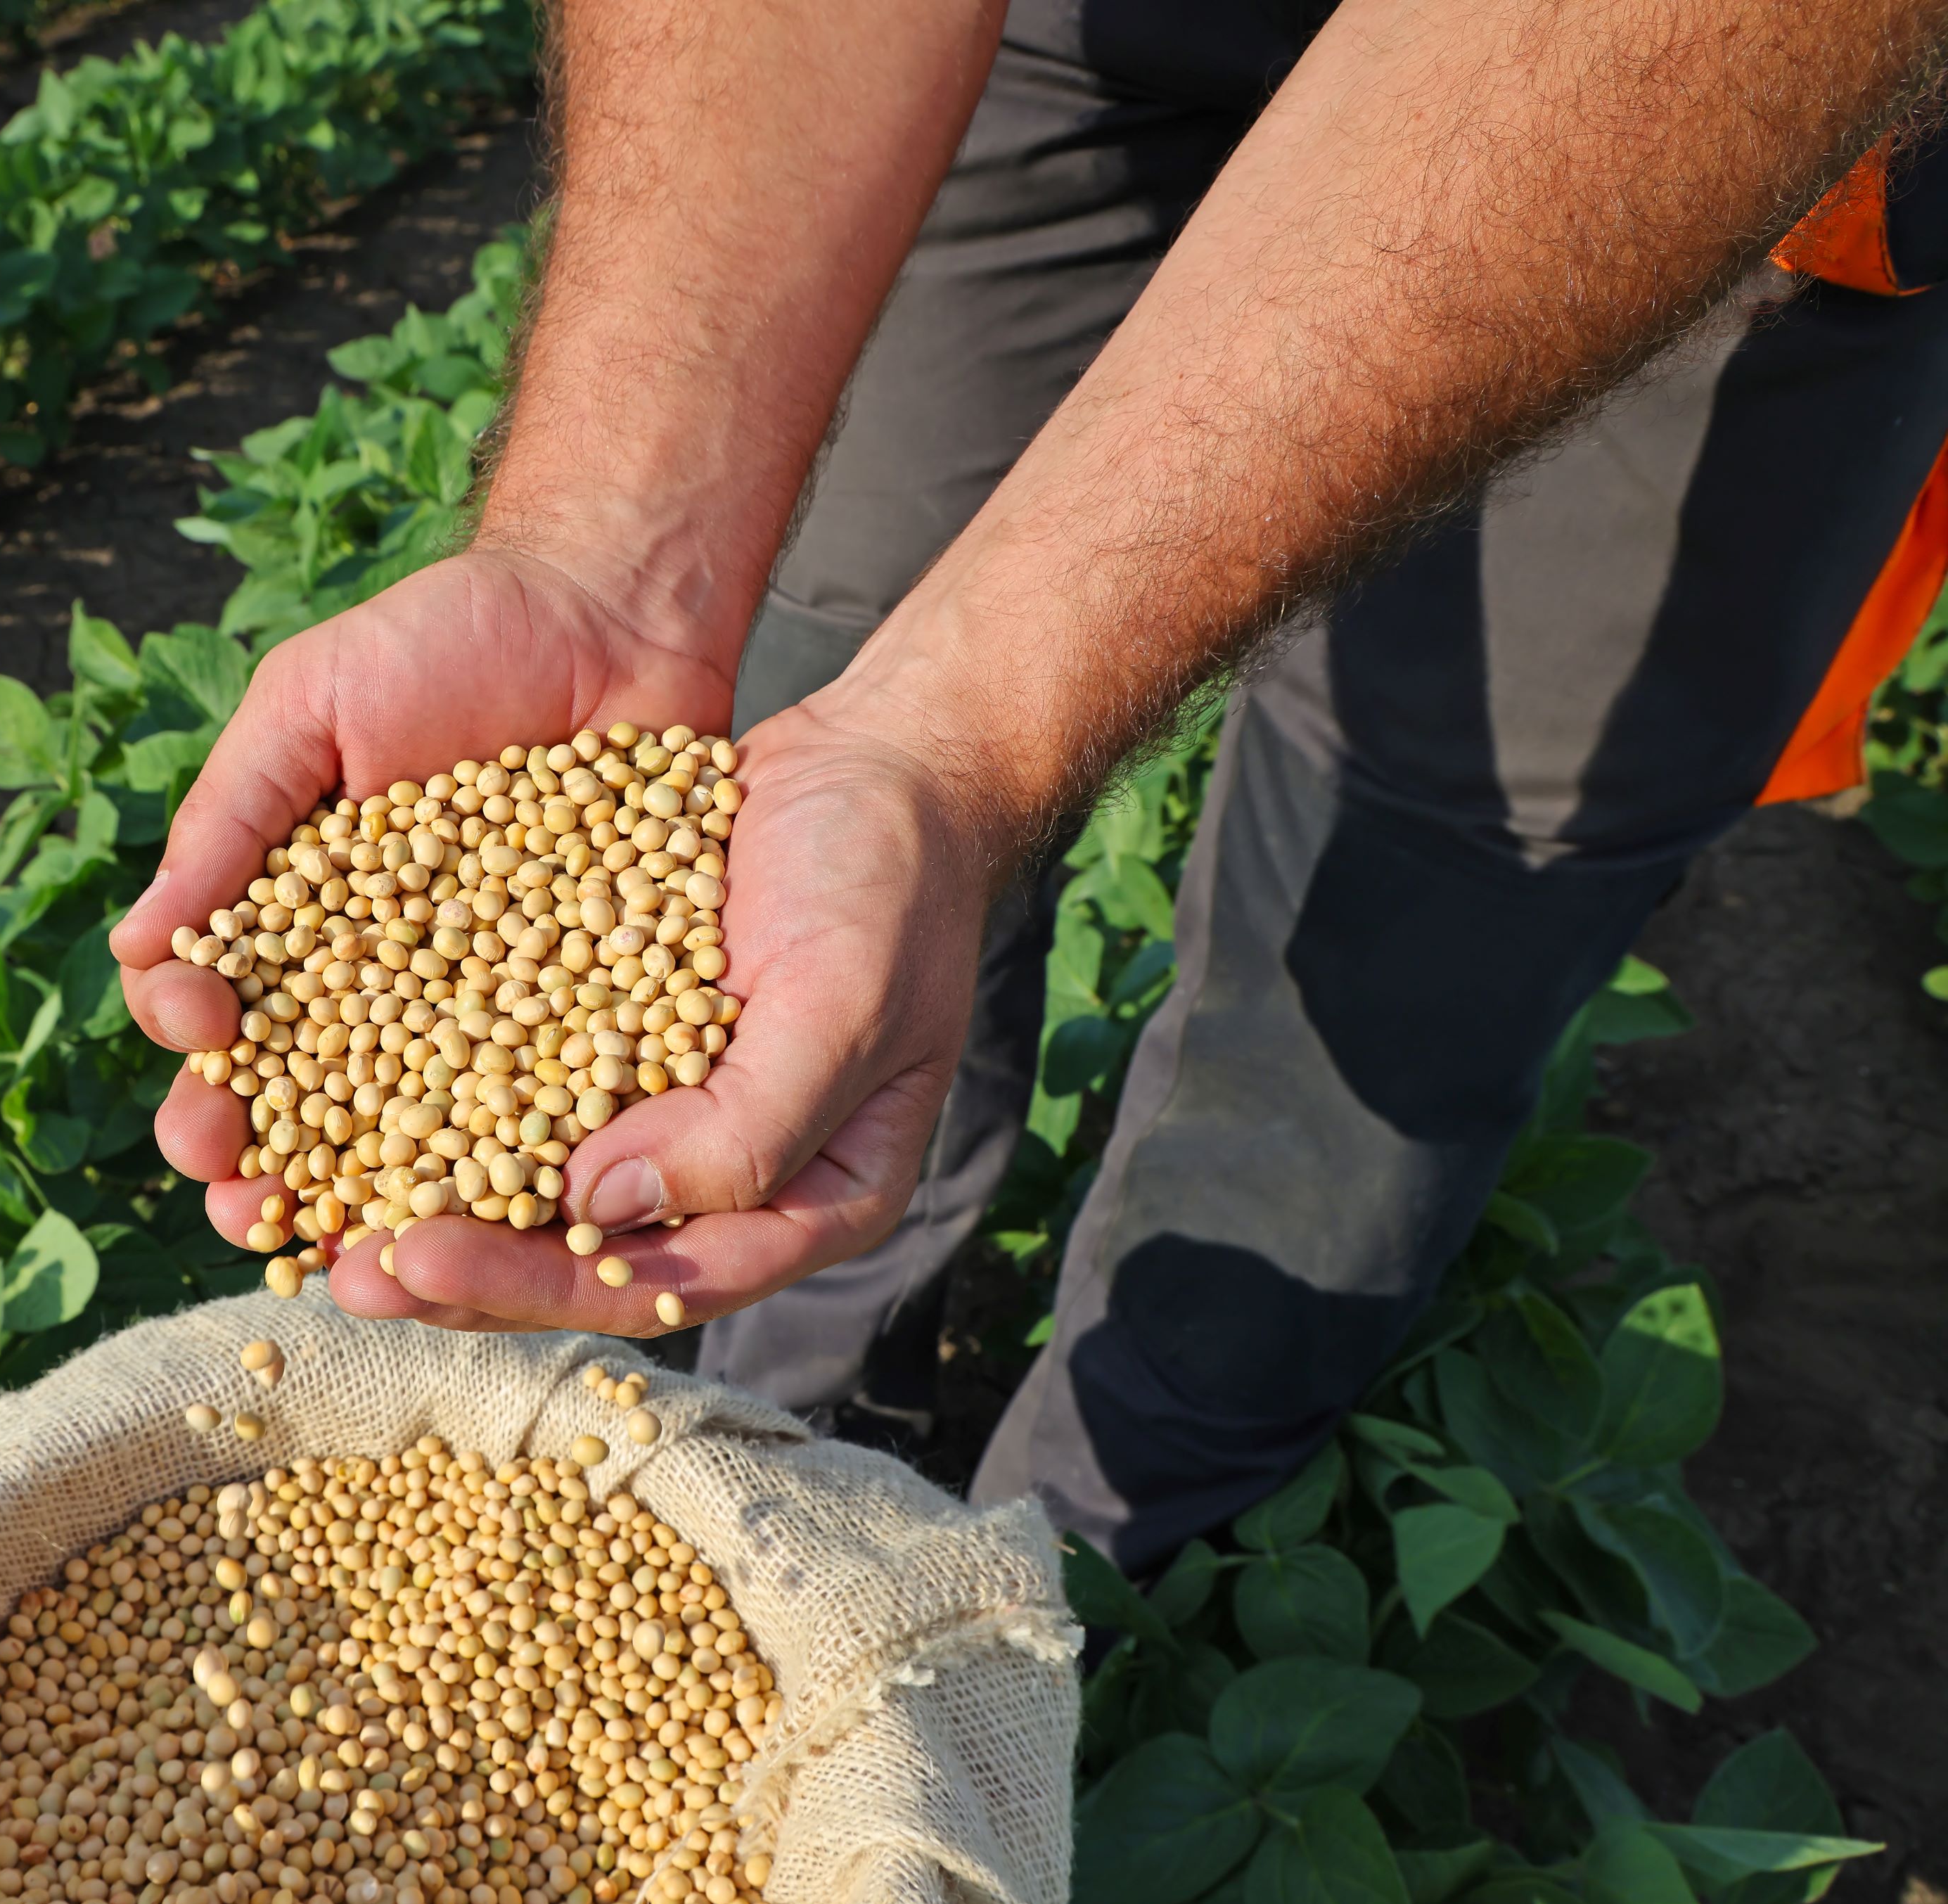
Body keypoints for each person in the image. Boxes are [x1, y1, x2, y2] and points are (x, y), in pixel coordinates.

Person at [111, 0, 1948, 1576]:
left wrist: (962, 732)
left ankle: (1086, 1595)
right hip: (1077, 33)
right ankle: (756, 1475)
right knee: (825, 773)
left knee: (1400, 955)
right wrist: (613, 554)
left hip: (1726, 126)